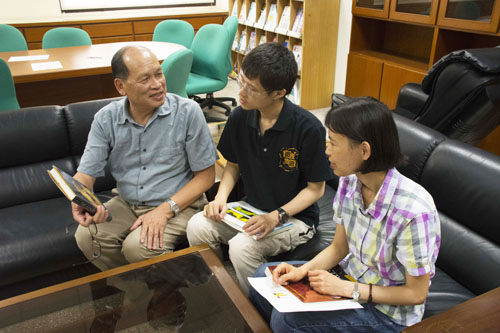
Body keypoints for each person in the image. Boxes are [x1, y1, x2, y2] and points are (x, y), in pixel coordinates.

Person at [249, 97, 441, 332]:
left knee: (287, 320)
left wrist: (345, 289)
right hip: (349, 280)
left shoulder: (413, 212)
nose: (326, 150)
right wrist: (301, 271)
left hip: (387, 313)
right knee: (263, 277)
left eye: (333, 142)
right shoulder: (351, 182)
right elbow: (339, 248)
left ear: (364, 150)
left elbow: (415, 294)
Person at [186, 42, 333, 294]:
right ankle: (220, 292)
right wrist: (220, 198)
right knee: (197, 225)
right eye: (241, 81)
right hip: (250, 208)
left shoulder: (308, 128)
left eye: (251, 89)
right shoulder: (240, 116)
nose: (241, 92)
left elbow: (316, 189)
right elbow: (233, 164)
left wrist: (276, 216)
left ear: (278, 93)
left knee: (243, 248)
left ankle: (256, 309)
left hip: (294, 219)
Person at [73, 45, 218, 271]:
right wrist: (81, 198)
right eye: (145, 79)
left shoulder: (188, 112)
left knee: (138, 248)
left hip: (179, 204)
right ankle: (145, 294)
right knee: (87, 236)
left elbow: (207, 176)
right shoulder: (106, 118)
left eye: (159, 74)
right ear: (121, 86)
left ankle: (146, 298)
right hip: (127, 202)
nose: (157, 84)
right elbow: (86, 173)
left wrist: (164, 210)